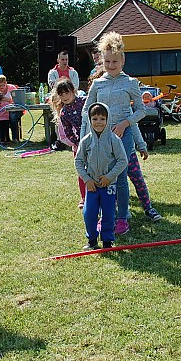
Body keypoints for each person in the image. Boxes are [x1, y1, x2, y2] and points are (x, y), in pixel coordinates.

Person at [82, 32, 146, 236]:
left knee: (120, 178)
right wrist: (89, 135)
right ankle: (106, 215)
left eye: (115, 61)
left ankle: (122, 218)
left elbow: (141, 111)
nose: (111, 65)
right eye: (107, 61)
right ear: (102, 60)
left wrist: (125, 124)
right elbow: (86, 110)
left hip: (123, 136)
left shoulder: (131, 82)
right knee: (102, 176)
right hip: (101, 138)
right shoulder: (97, 84)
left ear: (122, 60)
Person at [75, 102, 128, 250]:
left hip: (108, 185)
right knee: (89, 213)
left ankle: (107, 241)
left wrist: (109, 177)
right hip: (92, 185)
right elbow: (78, 161)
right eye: (95, 119)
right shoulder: (86, 140)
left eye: (102, 119)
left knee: (109, 214)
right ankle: (92, 240)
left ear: (108, 119)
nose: (99, 122)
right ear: (90, 120)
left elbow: (122, 160)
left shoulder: (114, 139)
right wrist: (87, 179)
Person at [52, 78, 87, 208]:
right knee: (81, 172)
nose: (65, 96)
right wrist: (76, 143)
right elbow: (67, 132)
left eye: (67, 93)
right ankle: (84, 197)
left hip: (95, 141)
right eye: (61, 94)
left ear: (73, 91)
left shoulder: (85, 102)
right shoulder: (64, 112)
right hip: (79, 146)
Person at [0, 75, 20, 142]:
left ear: (6, 83)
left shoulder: (12, 88)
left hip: (14, 110)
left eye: (3, 85)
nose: (1, 87)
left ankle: (15, 137)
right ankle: (1, 138)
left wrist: (9, 100)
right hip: (2, 111)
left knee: (12, 117)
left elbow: (18, 100)